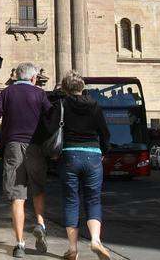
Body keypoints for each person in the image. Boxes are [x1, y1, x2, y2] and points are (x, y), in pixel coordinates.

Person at [0, 62, 52, 258]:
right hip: (36, 146)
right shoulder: (40, 94)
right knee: (38, 189)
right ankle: (40, 223)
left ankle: (19, 244)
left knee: (18, 196)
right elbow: (51, 118)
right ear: (33, 78)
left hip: (13, 147)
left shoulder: (6, 93)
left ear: (17, 77)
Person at [48, 71, 112, 260]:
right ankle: (95, 240)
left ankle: (73, 249)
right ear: (82, 87)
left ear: (66, 88)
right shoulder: (94, 105)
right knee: (93, 199)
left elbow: (50, 128)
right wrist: (104, 151)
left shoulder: (61, 104)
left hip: (69, 155)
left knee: (71, 200)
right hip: (92, 154)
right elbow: (105, 133)